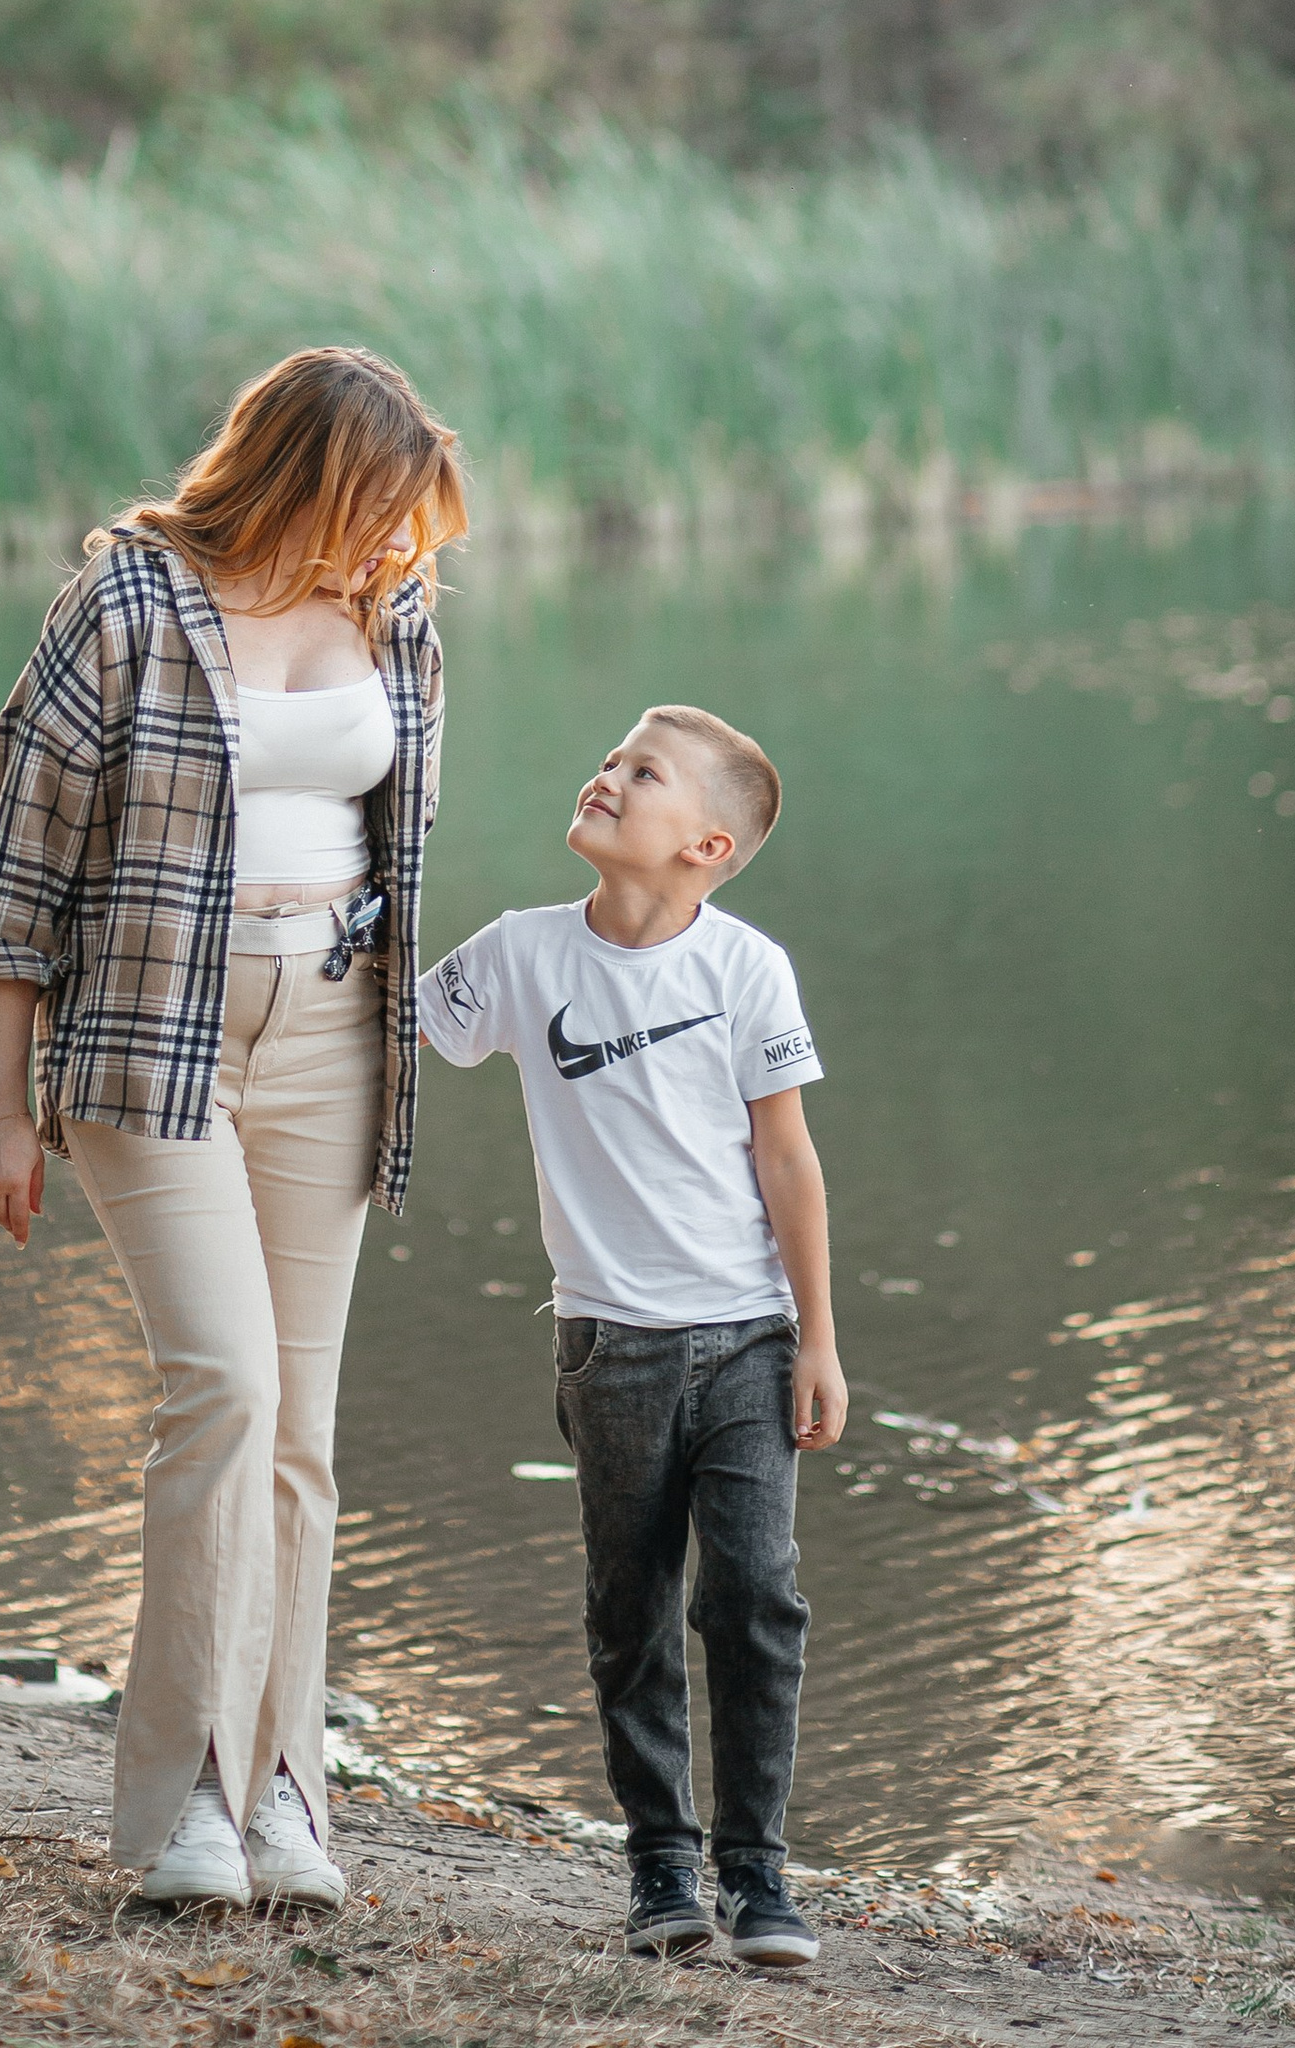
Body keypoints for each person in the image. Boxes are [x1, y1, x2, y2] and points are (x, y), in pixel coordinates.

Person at [0, 346, 466, 1914]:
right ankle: (179, 1803)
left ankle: (286, 1787)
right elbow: (19, 872)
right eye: (379, 507)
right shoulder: (125, 602)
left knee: (300, 1438)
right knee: (223, 1394)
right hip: (154, 1034)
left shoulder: (398, 614)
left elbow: (402, 834)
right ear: (305, 477)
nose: (399, 544)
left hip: (333, 1025)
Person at [419, 702, 845, 1970]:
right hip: (609, 1348)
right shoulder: (518, 954)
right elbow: (392, 1026)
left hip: (749, 1338)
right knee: (629, 1603)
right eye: (606, 756)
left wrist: (818, 1337)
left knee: (756, 1596)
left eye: (640, 772)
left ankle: (758, 1875)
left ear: (705, 846)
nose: (603, 777)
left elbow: (788, 1158)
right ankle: (661, 1865)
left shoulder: (745, 969)